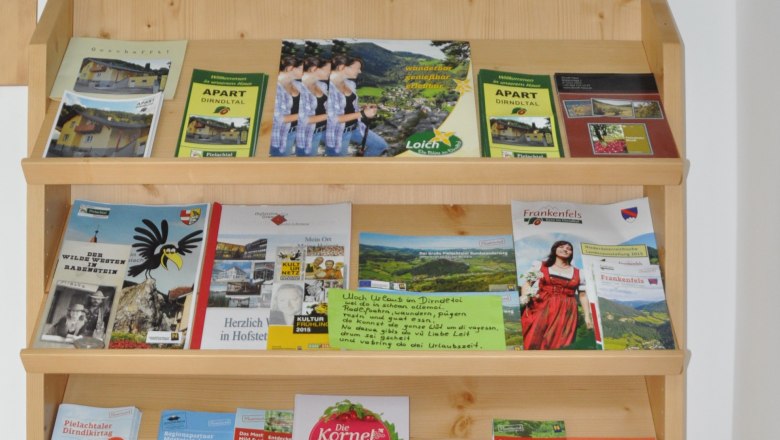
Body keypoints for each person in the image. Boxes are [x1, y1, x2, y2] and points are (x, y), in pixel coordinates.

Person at [520, 240, 593, 350]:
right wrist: (525, 295)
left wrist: (587, 317)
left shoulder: (579, 273)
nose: (565, 249)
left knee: (559, 342)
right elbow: (527, 283)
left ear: (571, 253)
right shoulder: (540, 266)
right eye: (562, 247)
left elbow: (582, 295)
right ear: (554, 249)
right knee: (534, 337)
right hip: (541, 307)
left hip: (566, 311)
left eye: (569, 248)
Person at [325, 55, 388, 156]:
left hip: (355, 127)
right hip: (338, 133)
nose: (360, 72)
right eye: (357, 68)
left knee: (380, 145)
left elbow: (347, 105)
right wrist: (362, 113)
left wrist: (363, 108)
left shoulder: (349, 83)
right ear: (342, 67)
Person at [296, 57, 331, 156]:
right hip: (309, 134)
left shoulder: (321, 85)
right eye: (328, 70)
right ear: (313, 69)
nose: (330, 73)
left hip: (323, 130)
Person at [270, 56, 303, 157]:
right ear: (290, 68)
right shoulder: (274, 87)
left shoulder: (298, 84)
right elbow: (278, 119)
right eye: (302, 69)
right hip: (281, 135)